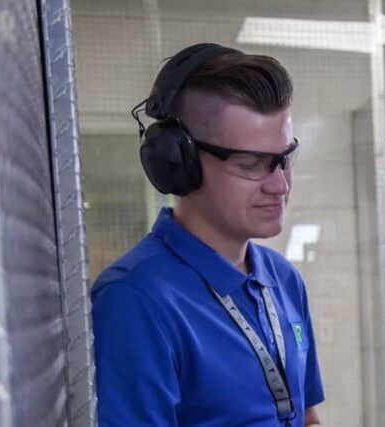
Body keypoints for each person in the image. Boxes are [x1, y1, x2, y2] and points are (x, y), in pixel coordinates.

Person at [91, 43, 323, 426]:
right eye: (252, 165)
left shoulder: (283, 280)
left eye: (284, 159)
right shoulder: (134, 301)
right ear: (179, 163)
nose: (280, 185)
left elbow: (307, 416)